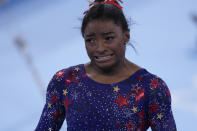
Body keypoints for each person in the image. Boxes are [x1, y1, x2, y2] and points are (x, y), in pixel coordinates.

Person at [35, 0, 177, 130]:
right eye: (91, 40)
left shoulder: (151, 88)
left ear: (126, 36)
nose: (100, 48)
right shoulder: (65, 80)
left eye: (108, 38)